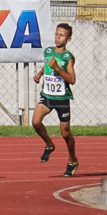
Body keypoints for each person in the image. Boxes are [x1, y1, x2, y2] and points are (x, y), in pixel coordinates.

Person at [32, 23, 78, 177]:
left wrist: (58, 69)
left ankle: (72, 160)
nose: (58, 38)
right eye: (57, 34)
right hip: (47, 96)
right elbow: (47, 66)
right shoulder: (48, 51)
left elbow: (72, 80)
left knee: (65, 134)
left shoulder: (68, 57)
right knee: (35, 122)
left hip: (62, 99)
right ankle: (49, 144)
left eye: (62, 35)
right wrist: (40, 73)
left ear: (68, 39)